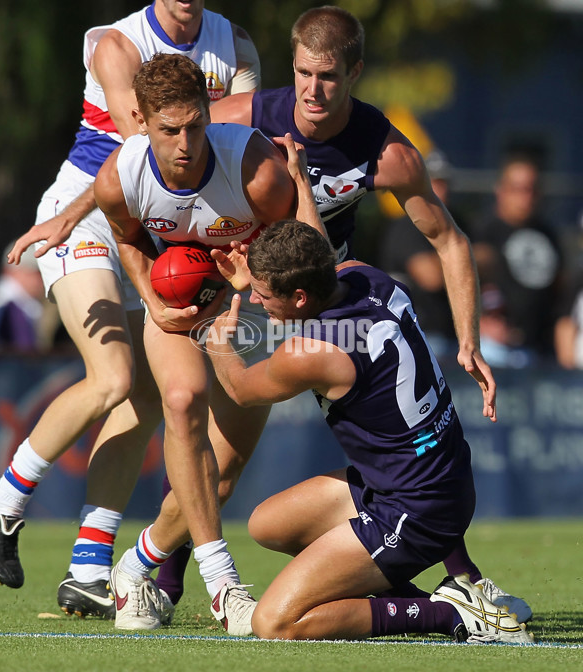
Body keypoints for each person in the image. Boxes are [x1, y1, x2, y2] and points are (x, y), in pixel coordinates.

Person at [157, 5, 532, 625]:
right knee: (242, 487)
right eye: (303, 72)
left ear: (355, 72)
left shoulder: (385, 152)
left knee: (226, 448)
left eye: (328, 76)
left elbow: (449, 240)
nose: (311, 89)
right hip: (254, 285)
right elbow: (163, 144)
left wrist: (469, 340)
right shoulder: (250, 118)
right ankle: (456, 579)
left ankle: (157, 572)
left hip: (304, 303)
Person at [0, 0, 260, 620]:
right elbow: (140, 157)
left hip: (160, 229)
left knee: (145, 397)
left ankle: (89, 564)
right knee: (111, 377)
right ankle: (1, 502)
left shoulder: (236, 45)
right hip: (90, 215)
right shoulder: (116, 44)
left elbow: (247, 125)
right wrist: (66, 217)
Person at [203, 219, 532, 644]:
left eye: (262, 294)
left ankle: (448, 614)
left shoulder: (312, 352)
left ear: (300, 296)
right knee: (270, 525)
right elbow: (318, 271)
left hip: (415, 509)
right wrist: (263, 280)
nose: (252, 298)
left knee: (276, 622)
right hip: (435, 478)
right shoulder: (362, 273)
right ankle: (453, 589)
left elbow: (242, 389)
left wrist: (217, 344)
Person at [93, 52, 327, 631]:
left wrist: (239, 290)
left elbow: (294, 248)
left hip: (250, 304)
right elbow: (127, 240)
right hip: (174, 308)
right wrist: (153, 303)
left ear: (207, 114)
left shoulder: (255, 169)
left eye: (195, 125)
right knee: (180, 401)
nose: (184, 142)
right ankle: (223, 585)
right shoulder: (117, 180)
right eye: (168, 129)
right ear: (139, 119)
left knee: (219, 476)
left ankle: (134, 563)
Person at [470, 153, 563, 363]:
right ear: (501, 190)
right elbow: (460, 282)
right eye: (518, 189)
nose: (526, 197)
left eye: (532, 189)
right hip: (496, 350)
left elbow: (559, 288)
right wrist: (478, 322)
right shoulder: (483, 231)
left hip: (540, 349)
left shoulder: (547, 232)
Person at [378, 149, 461, 360]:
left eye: (444, 183)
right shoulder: (407, 225)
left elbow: (490, 259)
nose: (440, 190)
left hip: (451, 334)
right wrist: (465, 259)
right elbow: (431, 277)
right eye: (433, 182)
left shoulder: (454, 224)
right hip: (414, 335)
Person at [0, 243, 47, 353]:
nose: (42, 279)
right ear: (11, 271)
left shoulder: (22, 305)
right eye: (35, 272)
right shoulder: (5, 306)